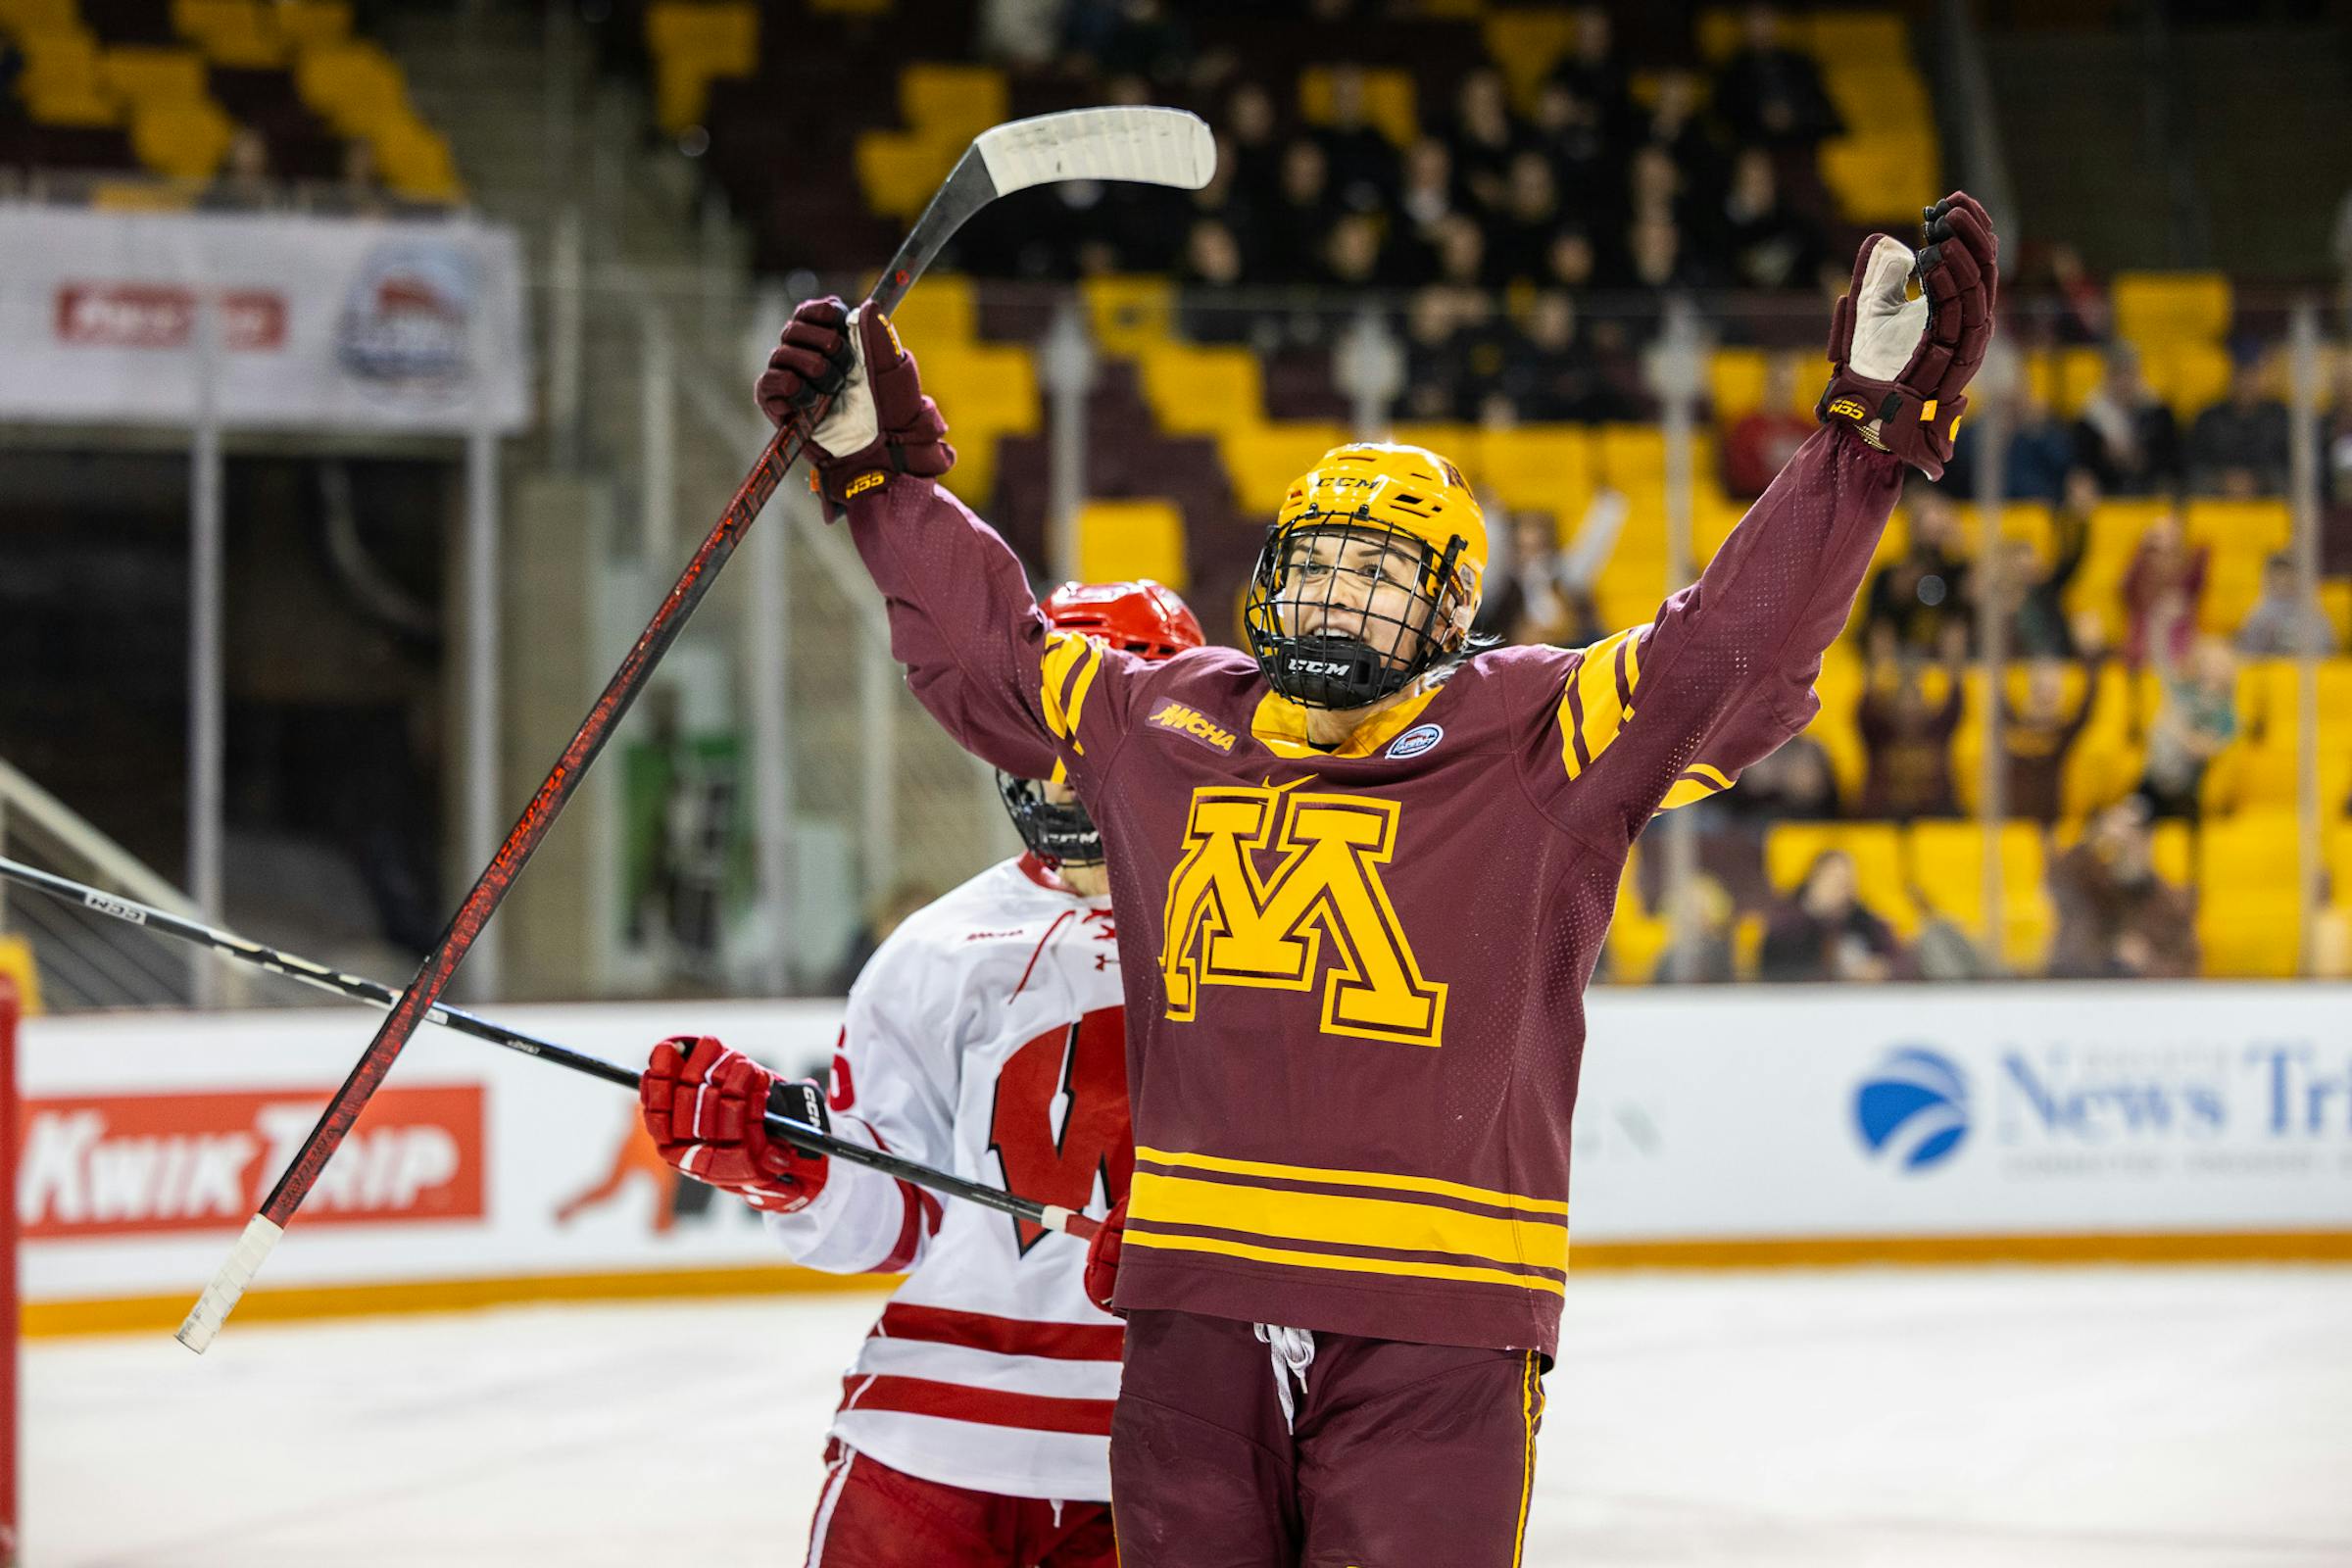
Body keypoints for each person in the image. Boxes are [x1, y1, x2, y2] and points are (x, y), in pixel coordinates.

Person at [747, 194, 1996, 1565]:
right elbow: (991, 654)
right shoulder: (1168, 719)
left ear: (1451, 609)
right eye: (1319, 566)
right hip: (1196, 1312)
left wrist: (1858, 448)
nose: (1339, 597)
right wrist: (879, 481)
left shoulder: (1537, 732)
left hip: (1435, 1320)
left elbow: (1729, 657)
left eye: (1380, 574)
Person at [636, 580, 1206, 1568]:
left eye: (1096, 730)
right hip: (929, 1441)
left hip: (1173, 1449)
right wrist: (788, 1169)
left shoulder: (1271, 939)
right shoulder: (937, 947)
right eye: (1045, 730)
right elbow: (896, 1219)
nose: (1066, 772)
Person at [2048, 796, 2198, 978]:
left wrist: (2146, 963)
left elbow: (2187, 972)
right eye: (2116, 844)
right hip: (2090, 989)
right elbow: (2066, 959)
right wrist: (2092, 842)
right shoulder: (2085, 888)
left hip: (2147, 991)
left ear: (2147, 843)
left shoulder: (2171, 904)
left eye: (2133, 838)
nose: (2123, 851)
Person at [2132, 634, 2239, 822]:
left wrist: (2177, 730)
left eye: (2220, 663)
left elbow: (2205, 749)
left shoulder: (2227, 714)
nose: (2213, 668)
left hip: (2187, 791)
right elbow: (2160, 666)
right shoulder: (2183, 692)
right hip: (2153, 779)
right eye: (2209, 661)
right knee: (2127, 817)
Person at [1758, 849, 1903, 982]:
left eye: (1846, 882)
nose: (1840, 889)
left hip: (1854, 998)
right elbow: (1775, 964)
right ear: (1814, 880)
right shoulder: (1788, 921)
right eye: (1833, 880)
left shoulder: (1863, 921)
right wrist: (1816, 911)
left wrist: (1882, 968)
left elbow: (1897, 959)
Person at [2186, 351, 2290, 498]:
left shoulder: (2281, 418)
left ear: (2265, 377)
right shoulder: (2209, 418)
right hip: (2217, 502)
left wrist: (2258, 482)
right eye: (2241, 375)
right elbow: (2193, 467)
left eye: (2253, 375)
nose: (2246, 383)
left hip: (2270, 502)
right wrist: (2221, 481)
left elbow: (2293, 470)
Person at [2234, 551, 2339, 657]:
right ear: (2269, 579)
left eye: (2288, 576)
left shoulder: (2312, 609)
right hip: (2272, 664)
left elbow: (2328, 647)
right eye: (2278, 577)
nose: (2283, 581)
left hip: (2310, 662)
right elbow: (2249, 652)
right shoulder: (2260, 614)